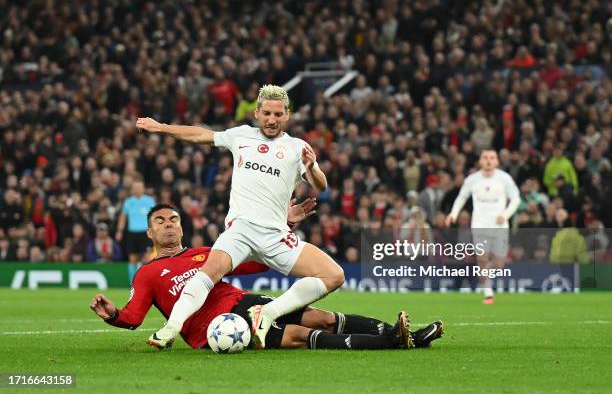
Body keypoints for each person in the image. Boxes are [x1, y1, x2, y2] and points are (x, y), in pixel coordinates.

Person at [136, 85, 345, 349]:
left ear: (287, 116)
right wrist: (162, 127)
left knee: (334, 275)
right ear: (257, 113)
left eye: (278, 114)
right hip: (240, 231)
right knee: (207, 274)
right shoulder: (241, 136)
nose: (271, 119)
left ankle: (267, 313)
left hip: (276, 235)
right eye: (266, 113)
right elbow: (201, 134)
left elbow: (321, 185)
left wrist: (312, 166)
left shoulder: (297, 147)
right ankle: (169, 329)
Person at [90, 204, 444, 350]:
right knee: (299, 336)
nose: (168, 226)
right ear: (150, 234)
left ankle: (406, 334)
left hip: (244, 303)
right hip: (215, 327)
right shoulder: (149, 272)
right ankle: (396, 342)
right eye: (160, 222)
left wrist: (283, 229)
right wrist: (114, 317)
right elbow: (134, 317)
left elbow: (256, 261)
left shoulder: (207, 254)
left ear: (182, 226)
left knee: (320, 316)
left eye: (173, 220)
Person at [445, 150, 520, 304]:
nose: (488, 160)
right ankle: (488, 293)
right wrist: (453, 214)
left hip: (499, 225)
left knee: (499, 264)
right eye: (485, 157)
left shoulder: (504, 178)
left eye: (492, 158)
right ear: (480, 161)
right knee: (482, 260)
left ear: (497, 161)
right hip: (479, 224)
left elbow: (516, 199)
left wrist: (505, 215)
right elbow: (462, 197)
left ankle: (486, 280)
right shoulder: (472, 179)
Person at [115, 179, 156, 282]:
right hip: (132, 234)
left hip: (146, 233)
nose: (137, 189)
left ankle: (149, 282)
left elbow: (155, 216)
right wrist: (119, 231)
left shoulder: (149, 201)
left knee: (148, 258)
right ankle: (133, 282)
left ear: (143, 189)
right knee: (133, 258)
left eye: (139, 187)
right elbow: (123, 217)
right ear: (132, 189)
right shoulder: (128, 202)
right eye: (135, 188)